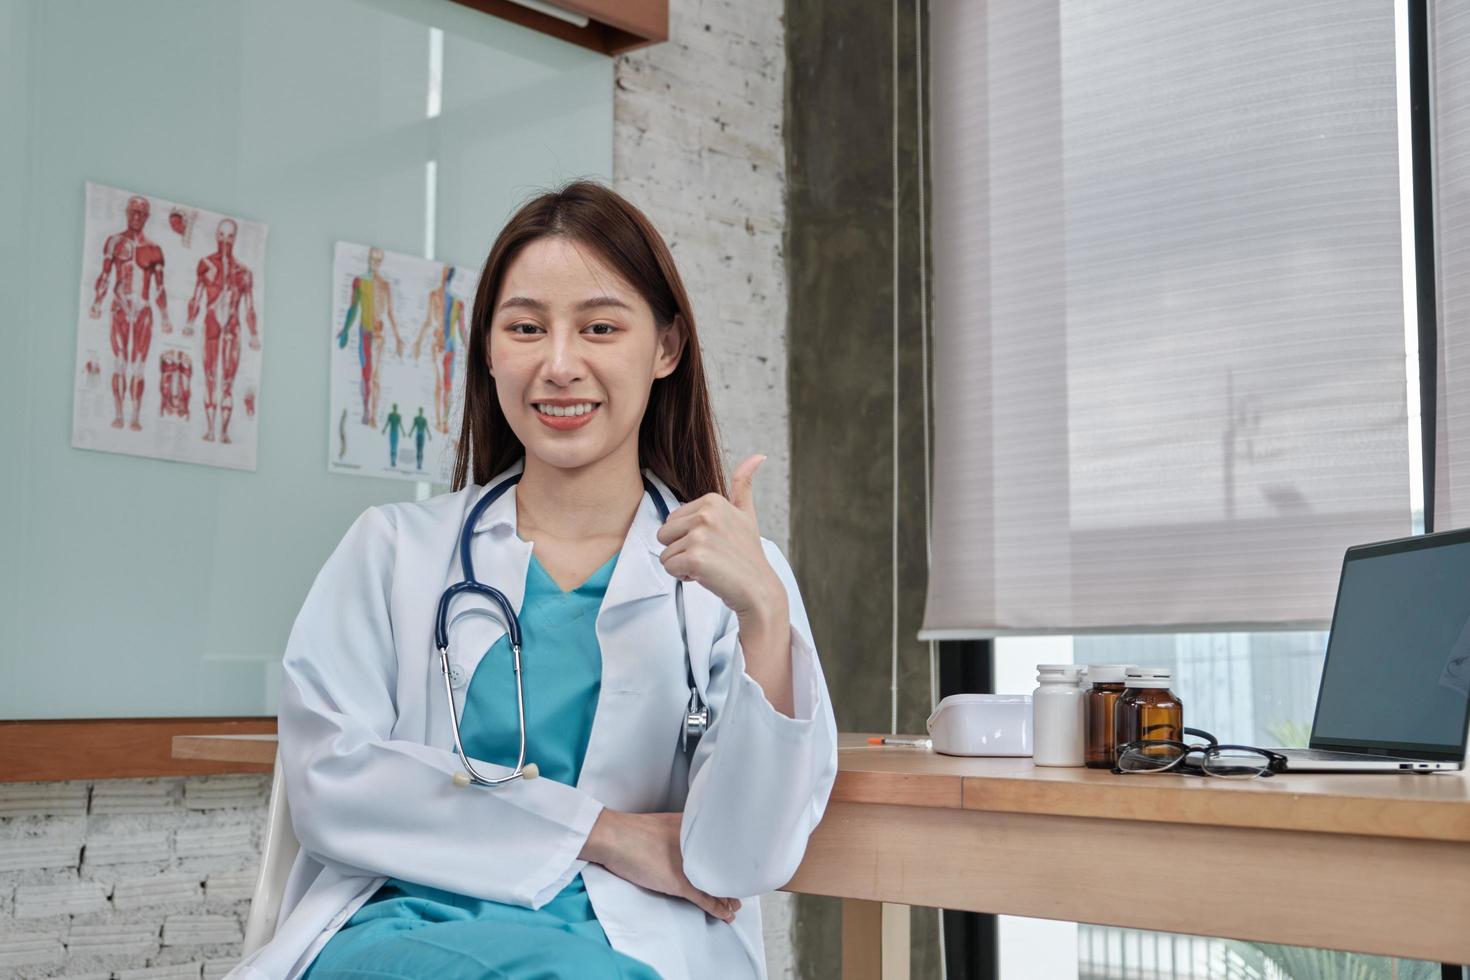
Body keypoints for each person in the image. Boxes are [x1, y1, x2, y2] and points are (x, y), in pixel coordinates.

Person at [228, 181, 838, 980]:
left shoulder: (732, 581)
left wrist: (763, 613)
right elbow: (331, 782)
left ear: (666, 348)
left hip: (629, 942)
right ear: (488, 349)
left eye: (599, 327)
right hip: (405, 923)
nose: (558, 365)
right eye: (525, 328)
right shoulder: (394, 552)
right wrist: (601, 831)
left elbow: (735, 861)